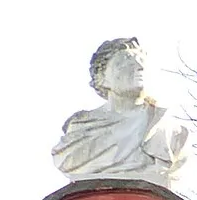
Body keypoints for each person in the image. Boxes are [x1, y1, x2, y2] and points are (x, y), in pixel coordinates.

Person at [50, 38, 189, 186]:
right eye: (126, 62)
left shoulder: (169, 129)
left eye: (141, 61)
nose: (139, 66)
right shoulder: (81, 130)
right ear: (102, 77)